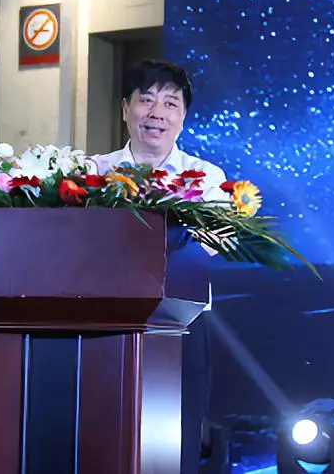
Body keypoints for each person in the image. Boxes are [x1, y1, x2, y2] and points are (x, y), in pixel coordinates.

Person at [88, 59, 225, 474]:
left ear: (183, 116)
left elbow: (218, 243)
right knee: (103, 434)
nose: (157, 113)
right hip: (104, 323)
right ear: (125, 108)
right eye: (146, 100)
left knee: (177, 438)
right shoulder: (93, 173)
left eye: (170, 103)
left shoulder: (206, 177)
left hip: (181, 322)